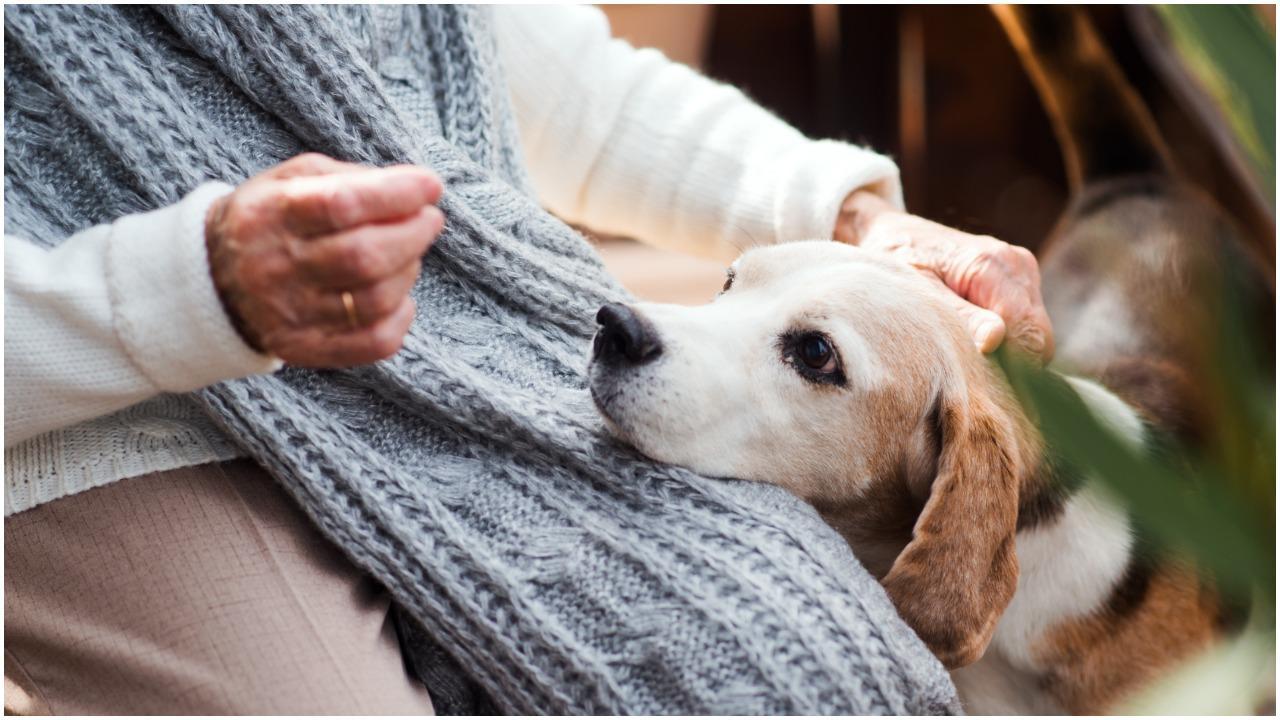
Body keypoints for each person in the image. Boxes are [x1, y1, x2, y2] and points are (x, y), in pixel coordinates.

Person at [4, 5, 1052, 714]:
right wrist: (185, 291)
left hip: (474, 352)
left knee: (803, 668)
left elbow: (567, 90)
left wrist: (852, 217)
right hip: (106, 421)